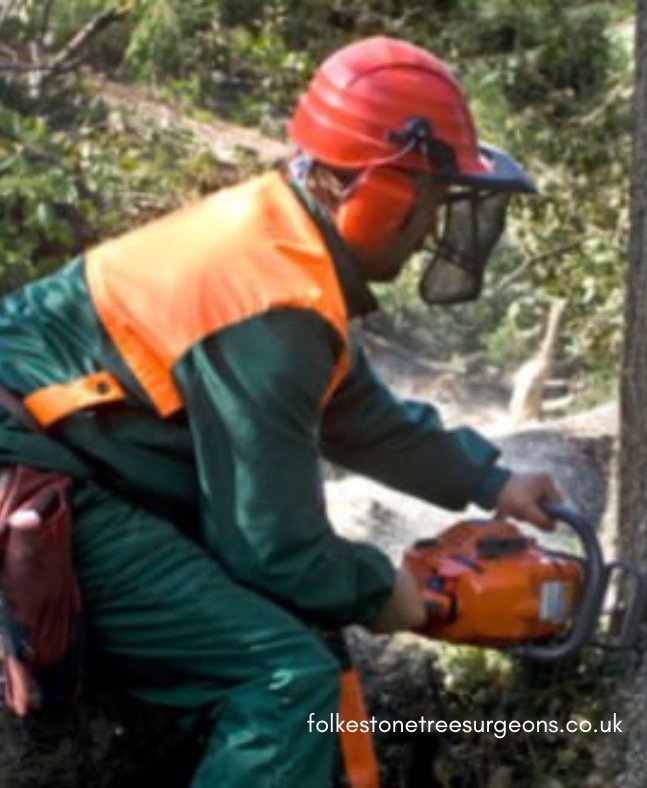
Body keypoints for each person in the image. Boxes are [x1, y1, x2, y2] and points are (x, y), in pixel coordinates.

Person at [0, 36, 561, 785]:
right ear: (377, 188)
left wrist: (492, 480)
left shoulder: (282, 251)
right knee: (288, 685)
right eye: (430, 201)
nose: (432, 227)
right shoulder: (274, 302)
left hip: (73, 452)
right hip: (40, 473)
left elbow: (357, 414)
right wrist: (395, 596)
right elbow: (269, 547)